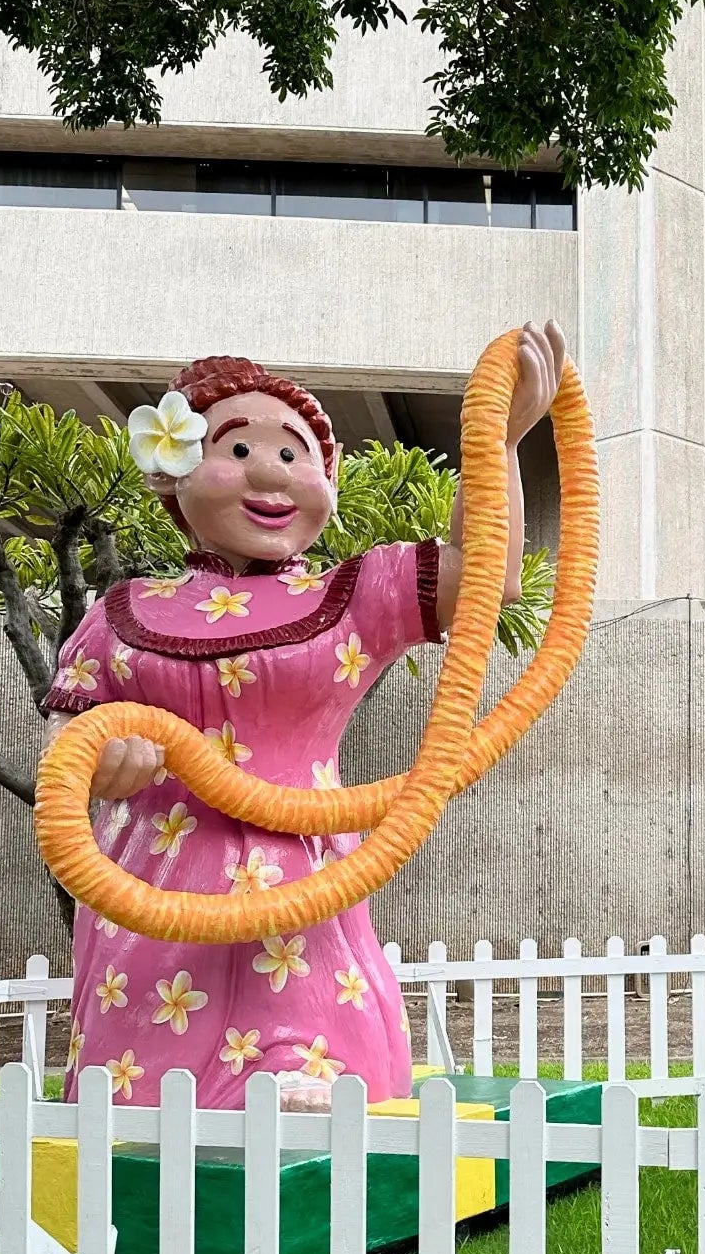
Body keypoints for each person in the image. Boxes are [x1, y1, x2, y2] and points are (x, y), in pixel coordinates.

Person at [43, 321, 565, 1110]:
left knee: (308, 1022)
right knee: (143, 1071)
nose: (272, 476)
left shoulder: (349, 593)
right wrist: (97, 756)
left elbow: (489, 577)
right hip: (152, 879)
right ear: (172, 471)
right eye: (240, 450)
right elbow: (68, 739)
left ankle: (303, 1090)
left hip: (305, 870)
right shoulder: (120, 612)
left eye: (293, 454)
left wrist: (502, 434)